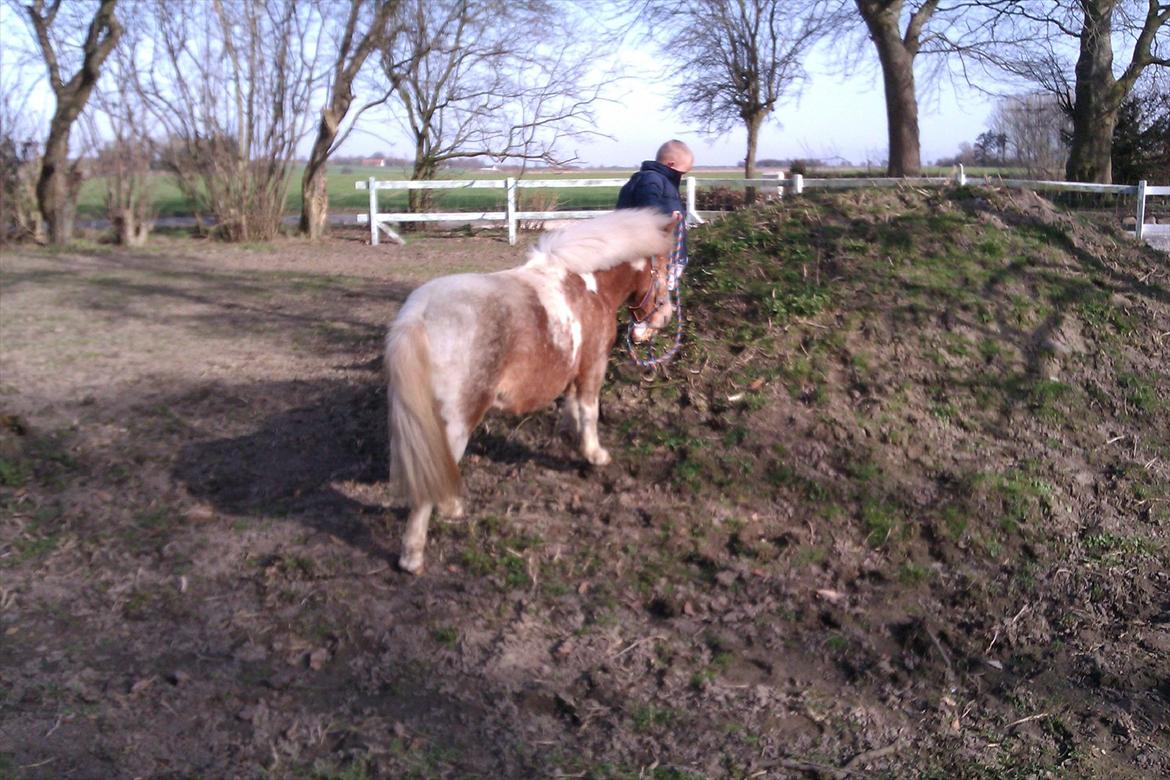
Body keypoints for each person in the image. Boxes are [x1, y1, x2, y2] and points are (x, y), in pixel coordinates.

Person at [616, 139, 693, 217]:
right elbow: (649, 213)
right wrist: (669, 222)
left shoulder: (666, 183)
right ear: (670, 164)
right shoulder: (650, 180)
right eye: (680, 173)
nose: (680, 177)